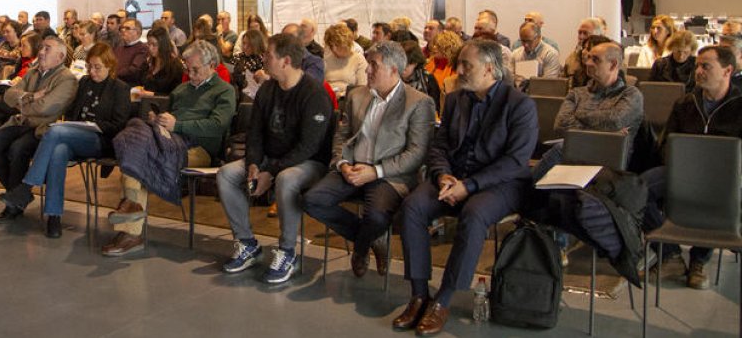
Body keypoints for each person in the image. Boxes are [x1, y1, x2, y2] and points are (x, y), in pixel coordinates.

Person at [394, 40, 538, 335]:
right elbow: (440, 145)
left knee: (474, 214)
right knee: (412, 206)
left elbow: (515, 161)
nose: (458, 70)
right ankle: (419, 294)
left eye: (466, 65)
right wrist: (443, 175)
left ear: (489, 68)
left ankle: (444, 299)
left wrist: (470, 185)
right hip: (455, 178)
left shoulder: (520, 105)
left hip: (500, 183)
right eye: (459, 63)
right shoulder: (457, 99)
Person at [304, 41, 434, 279]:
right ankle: (371, 237)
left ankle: (361, 247)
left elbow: (416, 154)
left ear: (394, 70)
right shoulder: (356, 95)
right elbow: (342, 135)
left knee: (375, 216)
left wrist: (375, 172)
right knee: (312, 200)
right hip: (352, 167)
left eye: (374, 65)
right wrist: (342, 164)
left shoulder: (418, 102)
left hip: (389, 175)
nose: (367, 70)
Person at [216, 33, 333, 284]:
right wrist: (255, 165)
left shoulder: (314, 93)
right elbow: (255, 134)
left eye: (268, 55)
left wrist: (272, 171)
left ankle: (288, 251)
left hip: (308, 162)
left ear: (285, 61)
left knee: (287, 179)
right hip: (271, 158)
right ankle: (247, 243)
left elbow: (309, 146)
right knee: (226, 174)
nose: (263, 59)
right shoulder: (268, 89)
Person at [101, 40, 236, 257]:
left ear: (212, 65)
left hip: (199, 148)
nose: (190, 74)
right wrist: (159, 121)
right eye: (187, 68)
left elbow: (218, 126)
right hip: (169, 139)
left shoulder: (224, 91)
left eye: (195, 69)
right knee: (136, 126)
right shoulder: (181, 90)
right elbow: (170, 118)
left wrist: (177, 125)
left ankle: (131, 226)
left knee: (140, 155)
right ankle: (131, 216)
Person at [0, 43, 131, 238]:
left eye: (97, 67)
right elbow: (71, 111)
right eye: (90, 67)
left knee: (55, 132)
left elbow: (119, 124)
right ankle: (54, 217)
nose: (92, 72)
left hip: (101, 140)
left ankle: (27, 187)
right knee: (58, 151)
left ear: (110, 66)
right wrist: (77, 124)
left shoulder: (120, 88)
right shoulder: (85, 83)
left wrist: (94, 125)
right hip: (75, 134)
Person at [642, 46, 741, 289]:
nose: (698, 71)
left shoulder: (740, 106)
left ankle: (699, 260)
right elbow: (667, 143)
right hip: (681, 172)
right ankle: (669, 254)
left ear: (727, 70)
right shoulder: (685, 103)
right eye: (697, 65)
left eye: (706, 66)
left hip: (725, 176)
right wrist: (681, 171)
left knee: (713, 192)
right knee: (637, 189)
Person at [0, 35, 78, 224]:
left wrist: (24, 103)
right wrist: (32, 96)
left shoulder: (67, 79)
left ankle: (13, 205)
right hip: (21, 123)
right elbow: (9, 95)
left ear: (59, 57)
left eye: (47, 49)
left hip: (43, 129)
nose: (41, 52)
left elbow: (47, 108)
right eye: (42, 48)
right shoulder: (33, 72)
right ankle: (16, 194)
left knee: (18, 149)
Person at [511, 20, 563, 88]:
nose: (525, 45)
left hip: (540, 95)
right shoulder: (515, 54)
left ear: (538, 37)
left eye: (529, 41)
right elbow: (509, 79)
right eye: (523, 41)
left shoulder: (550, 54)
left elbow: (548, 84)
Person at [322, 22, 367, 98]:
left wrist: (342, 94)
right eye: (331, 46)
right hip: (328, 98)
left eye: (337, 45)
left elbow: (362, 88)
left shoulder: (359, 60)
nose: (334, 49)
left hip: (348, 99)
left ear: (347, 44)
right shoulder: (326, 58)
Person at [140, 25, 184, 96]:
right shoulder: (147, 63)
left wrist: (152, 94)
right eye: (148, 44)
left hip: (163, 104)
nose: (150, 48)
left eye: (154, 45)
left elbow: (174, 95)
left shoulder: (174, 67)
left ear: (163, 45)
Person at [564, 17, 606, 87]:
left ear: (598, 36)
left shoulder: (610, 56)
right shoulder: (572, 58)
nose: (581, 37)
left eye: (585, 33)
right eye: (579, 33)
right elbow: (562, 85)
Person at [230, 29, 266, 101]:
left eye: (249, 45)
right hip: (238, 94)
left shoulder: (264, 59)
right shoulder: (238, 58)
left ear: (256, 44)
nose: (245, 47)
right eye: (243, 43)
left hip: (259, 95)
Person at [114, 17, 149, 86]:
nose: (123, 30)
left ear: (137, 32)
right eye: (122, 28)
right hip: (115, 83)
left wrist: (114, 73)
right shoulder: (118, 48)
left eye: (127, 28)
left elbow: (134, 70)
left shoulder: (142, 48)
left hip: (130, 86)